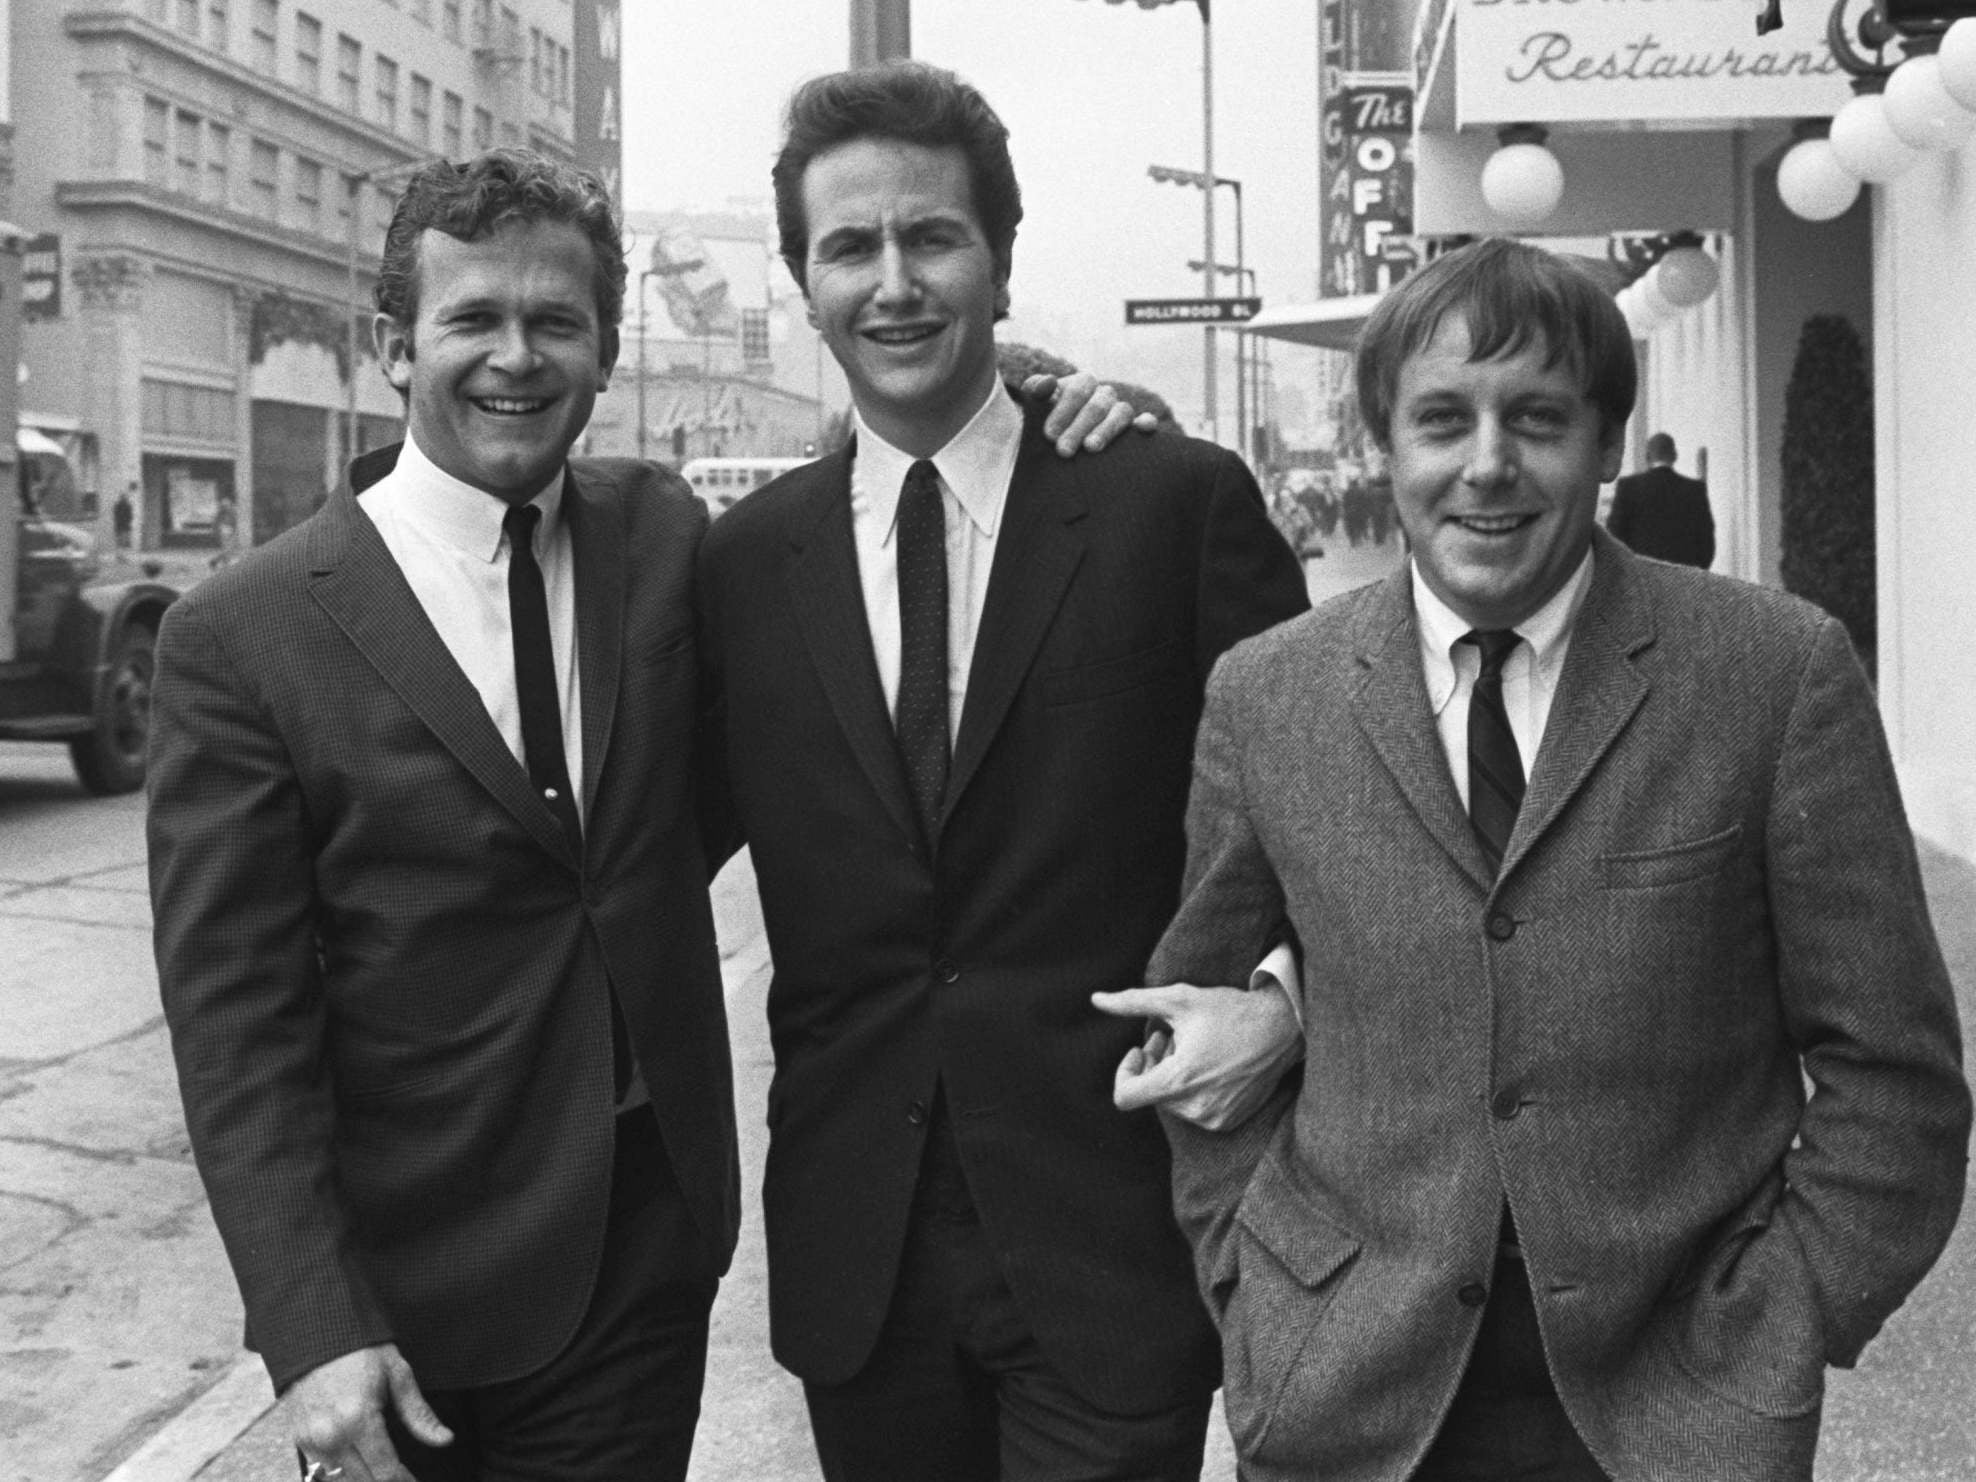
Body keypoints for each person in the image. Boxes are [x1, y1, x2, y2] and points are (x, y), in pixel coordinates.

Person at [147, 143, 1146, 1482]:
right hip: (408, 1306)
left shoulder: (663, 537)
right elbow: (237, 1026)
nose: (518, 356)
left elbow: (880, 503)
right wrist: (313, 1326)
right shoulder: (243, 633)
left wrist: (1043, 394)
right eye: (474, 321)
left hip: (640, 1268)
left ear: (607, 352)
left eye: (556, 322)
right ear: (393, 345)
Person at [1104, 238, 1969, 1481]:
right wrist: (1259, 1286)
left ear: (1608, 444)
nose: (1487, 465)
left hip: (1675, 1409)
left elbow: (1895, 1077)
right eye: (1441, 420)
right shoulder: (1266, 696)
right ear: (1381, 448)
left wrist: (1784, 1318)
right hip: (1347, 1399)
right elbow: (1193, 1026)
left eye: (1538, 419)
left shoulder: (1772, 675)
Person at [695, 62, 1310, 1482]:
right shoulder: (737, 566)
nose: (894, 283)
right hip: (864, 1249)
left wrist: (1284, 1008)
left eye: (934, 237)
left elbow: (1341, 825)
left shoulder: (1170, 504)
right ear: (803, 280)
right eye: (850, 247)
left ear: (1002, 259)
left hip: (1116, 1223)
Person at [1606, 429, 1714, 567]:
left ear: (1647, 456)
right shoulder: (1695, 490)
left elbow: (1614, 536)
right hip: (1684, 577)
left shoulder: (1628, 487)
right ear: (1674, 456)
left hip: (1641, 575)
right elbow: (1706, 545)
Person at [112, 485, 134, 550]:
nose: (124, 498)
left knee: (122, 538)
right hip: (123, 524)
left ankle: (121, 550)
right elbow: (130, 515)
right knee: (122, 538)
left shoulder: (122, 505)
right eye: (123, 497)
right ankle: (122, 550)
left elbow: (129, 515)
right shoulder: (125, 505)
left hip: (122, 524)